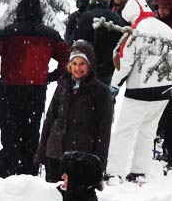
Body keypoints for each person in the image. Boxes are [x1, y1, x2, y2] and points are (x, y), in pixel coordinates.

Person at [0, 0, 72, 178]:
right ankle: (28, 175)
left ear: (19, 10)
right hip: (36, 91)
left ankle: (7, 174)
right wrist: (53, 76)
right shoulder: (49, 35)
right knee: (31, 135)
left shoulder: (7, 32)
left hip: (10, 91)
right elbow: (67, 57)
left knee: (9, 136)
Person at [107, 0, 172, 184]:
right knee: (148, 130)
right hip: (165, 89)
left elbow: (125, 61)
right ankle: (139, 171)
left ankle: (114, 172)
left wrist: (114, 85)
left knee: (125, 131)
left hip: (140, 89)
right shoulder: (166, 29)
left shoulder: (135, 31)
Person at [36, 41, 115, 182]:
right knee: (52, 198)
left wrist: (100, 164)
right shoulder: (62, 86)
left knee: (78, 200)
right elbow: (50, 120)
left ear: (90, 65)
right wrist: (41, 153)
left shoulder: (100, 91)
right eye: (74, 63)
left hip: (82, 157)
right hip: (55, 154)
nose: (77, 68)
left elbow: (104, 130)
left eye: (82, 63)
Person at [74, 0, 130, 85]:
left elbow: (77, 42)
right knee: (104, 99)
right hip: (108, 72)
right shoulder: (118, 18)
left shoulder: (87, 16)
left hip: (87, 70)